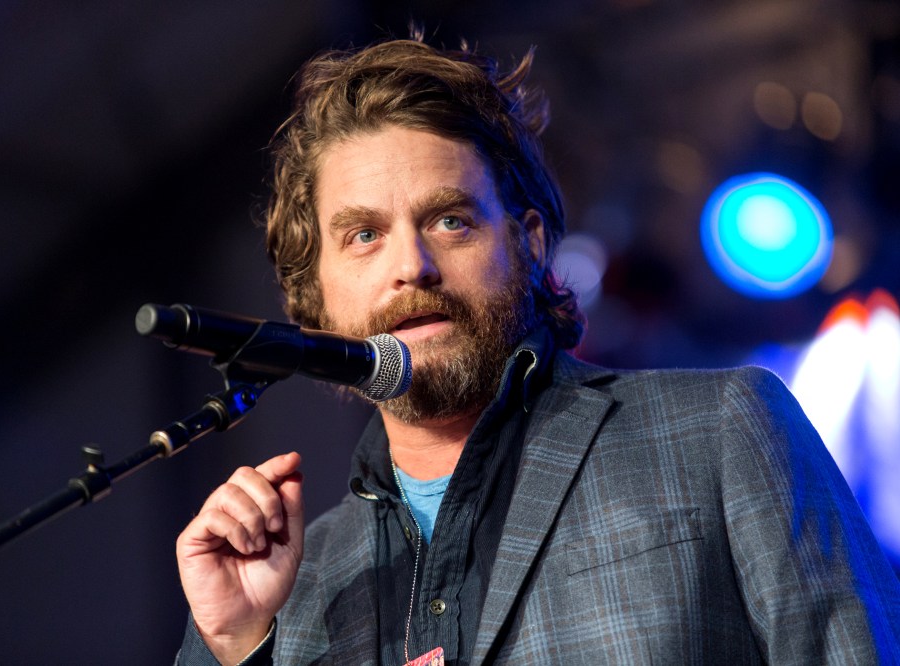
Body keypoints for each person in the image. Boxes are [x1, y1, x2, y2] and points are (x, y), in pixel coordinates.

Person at [175, 35, 900, 665]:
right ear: (315, 301)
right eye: (364, 235)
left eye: (451, 220)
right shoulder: (290, 587)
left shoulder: (718, 433)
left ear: (529, 242)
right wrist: (240, 649)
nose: (411, 266)